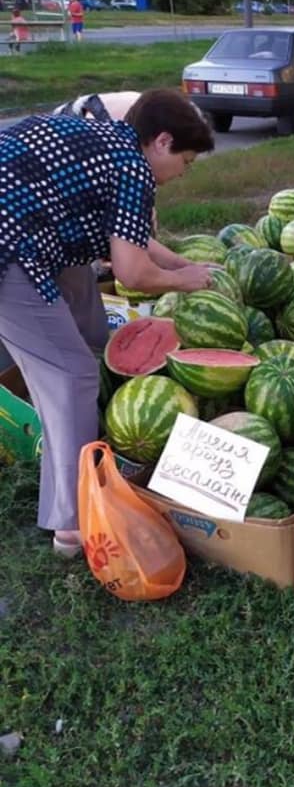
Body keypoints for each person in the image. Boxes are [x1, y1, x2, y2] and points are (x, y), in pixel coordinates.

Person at [0, 89, 215, 557]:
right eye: (188, 161)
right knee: (70, 374)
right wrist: (183, 284)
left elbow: (133, 242)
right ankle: (73, 523)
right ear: (162, 142)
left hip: (34, 236)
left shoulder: (108, 143)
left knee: (90, 335)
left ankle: (82, 439)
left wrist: (184, 267)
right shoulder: (133, 166)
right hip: (12, 247)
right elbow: (132, 272)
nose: (184, 173)